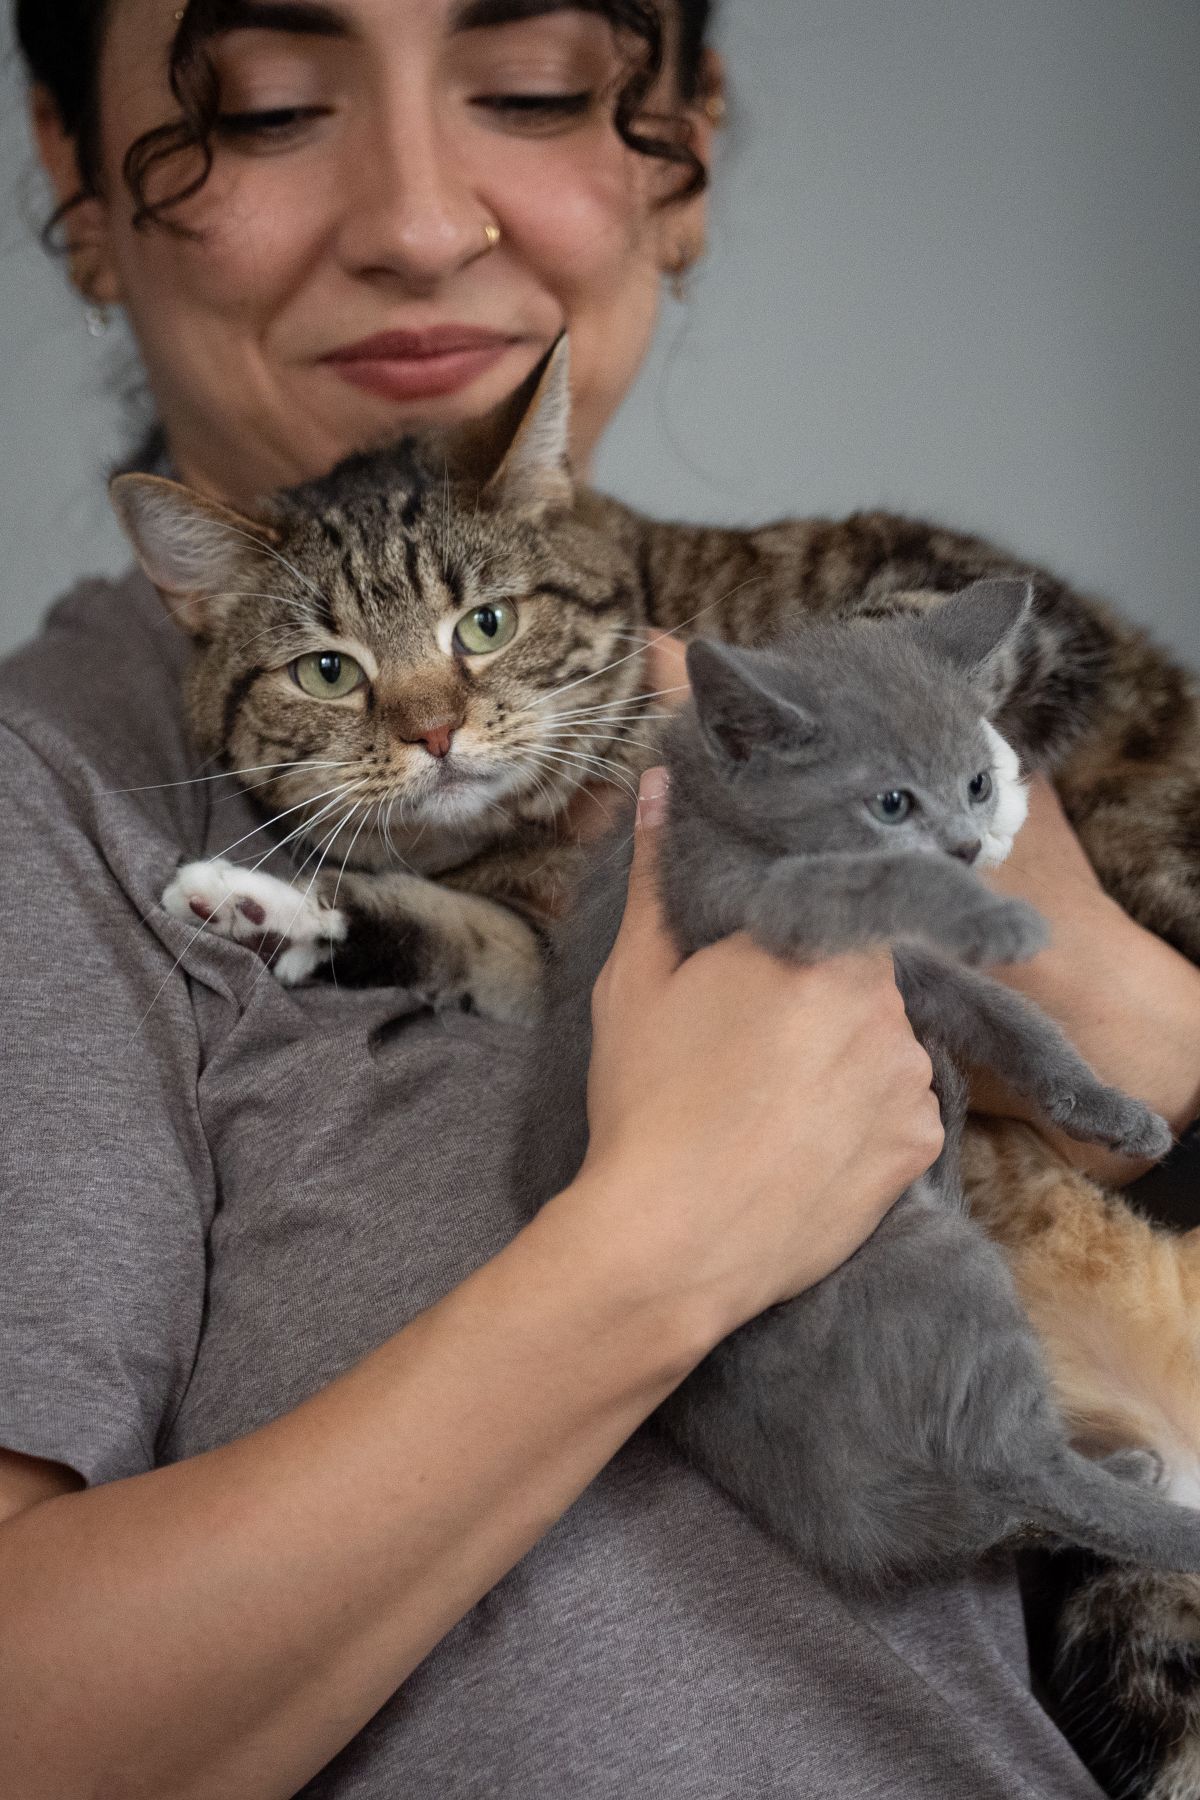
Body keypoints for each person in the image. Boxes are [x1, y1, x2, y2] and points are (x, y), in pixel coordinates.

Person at [3, 3, 1199, 1795]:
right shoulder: (70, 811)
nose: (418, 219)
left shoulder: (887, 635)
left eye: (534, 88)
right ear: (77, 186)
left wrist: (1140, 1020)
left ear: (687, 151)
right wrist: (661, 1245)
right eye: (257, 110)